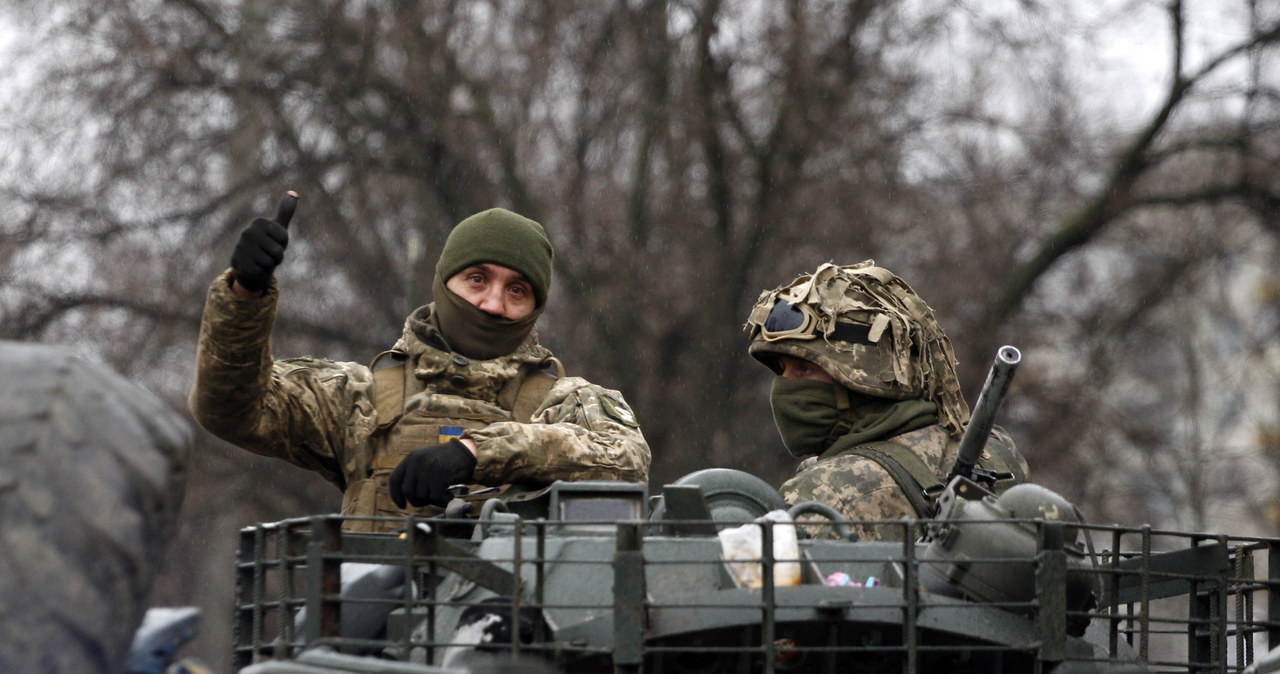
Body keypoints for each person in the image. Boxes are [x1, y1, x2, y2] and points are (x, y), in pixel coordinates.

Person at [190, 194, 650, 532]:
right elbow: (231, 408)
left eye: (517, 290)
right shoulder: (358, 398)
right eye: (477, 279)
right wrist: (244, 296)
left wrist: (476, 454)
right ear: (443, 282)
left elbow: (627, 462)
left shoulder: (568, 403)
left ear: (534, 307)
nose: (493, 303)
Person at [744, 261, 1029, 541]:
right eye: (782, 370)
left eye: (804, 369)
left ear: (861, 378)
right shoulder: (997, 453)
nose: (784, 386)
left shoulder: (823, 493)